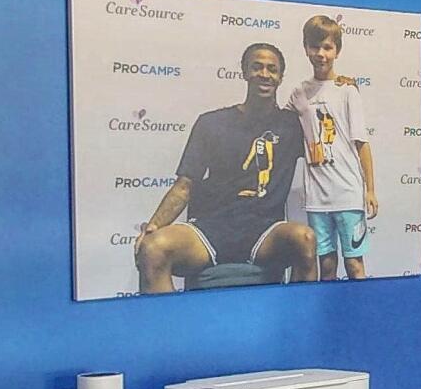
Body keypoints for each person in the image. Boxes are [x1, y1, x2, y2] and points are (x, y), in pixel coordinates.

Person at [134, 43, 316, 292]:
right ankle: (169, 329)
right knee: (153, 248)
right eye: (257, 67)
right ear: (244, 72)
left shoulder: (292, 125)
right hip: (210, 229)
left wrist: (341, 85)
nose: (264, 74)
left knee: (304, 239)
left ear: (280, 77)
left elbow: (329, 149)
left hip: (264, 231)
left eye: (272, 69)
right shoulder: (211, 123)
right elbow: (184, 186)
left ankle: (297, 326)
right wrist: (153, 226)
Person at [288, 15, 378, 281]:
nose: (320, 54)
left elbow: (362, 144)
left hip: (348, 194)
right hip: (317, 199)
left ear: (337, 50)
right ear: (305, 48)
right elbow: (280, 127)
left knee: (355, 266)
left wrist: (370, 190)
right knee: (326, 267)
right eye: (314, 47)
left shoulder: (347, 91)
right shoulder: (298, 92)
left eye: (327, 47)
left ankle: (361, 317)